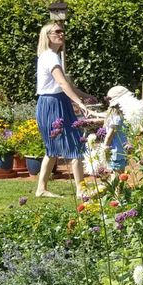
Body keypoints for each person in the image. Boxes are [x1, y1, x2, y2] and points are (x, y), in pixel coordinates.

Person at [34, 22, 97, 198]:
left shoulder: (48, 56)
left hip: (50, 103)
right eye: (57, 31)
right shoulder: (51, 57)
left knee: (52, 149)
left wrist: (84, 96)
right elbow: (62, 84)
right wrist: (81, 104)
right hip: (54, 103)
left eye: (63, 31)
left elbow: (64, 85)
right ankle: (81, 189)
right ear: (48, 36)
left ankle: (41, 188)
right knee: (75, 144)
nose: (62, 34)